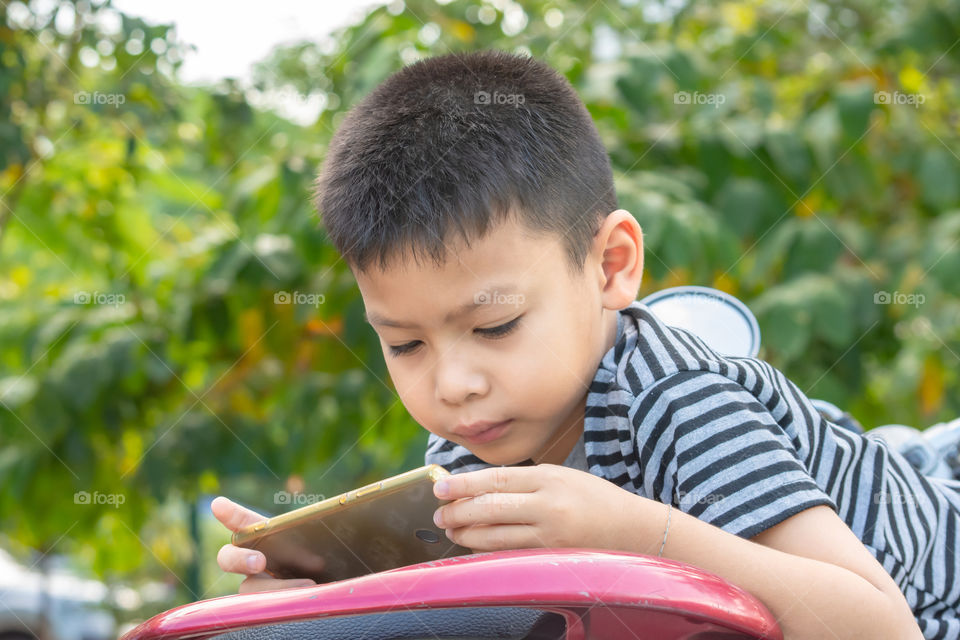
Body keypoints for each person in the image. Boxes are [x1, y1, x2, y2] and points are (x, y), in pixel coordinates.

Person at [212, 50, 958, 638]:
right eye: (405, 345)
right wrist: (316, 598)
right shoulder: (473, 442)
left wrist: (635, 532)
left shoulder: (678, 401)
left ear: (611, 265)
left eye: (495, 326)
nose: (453, 384)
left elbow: (881, 627)